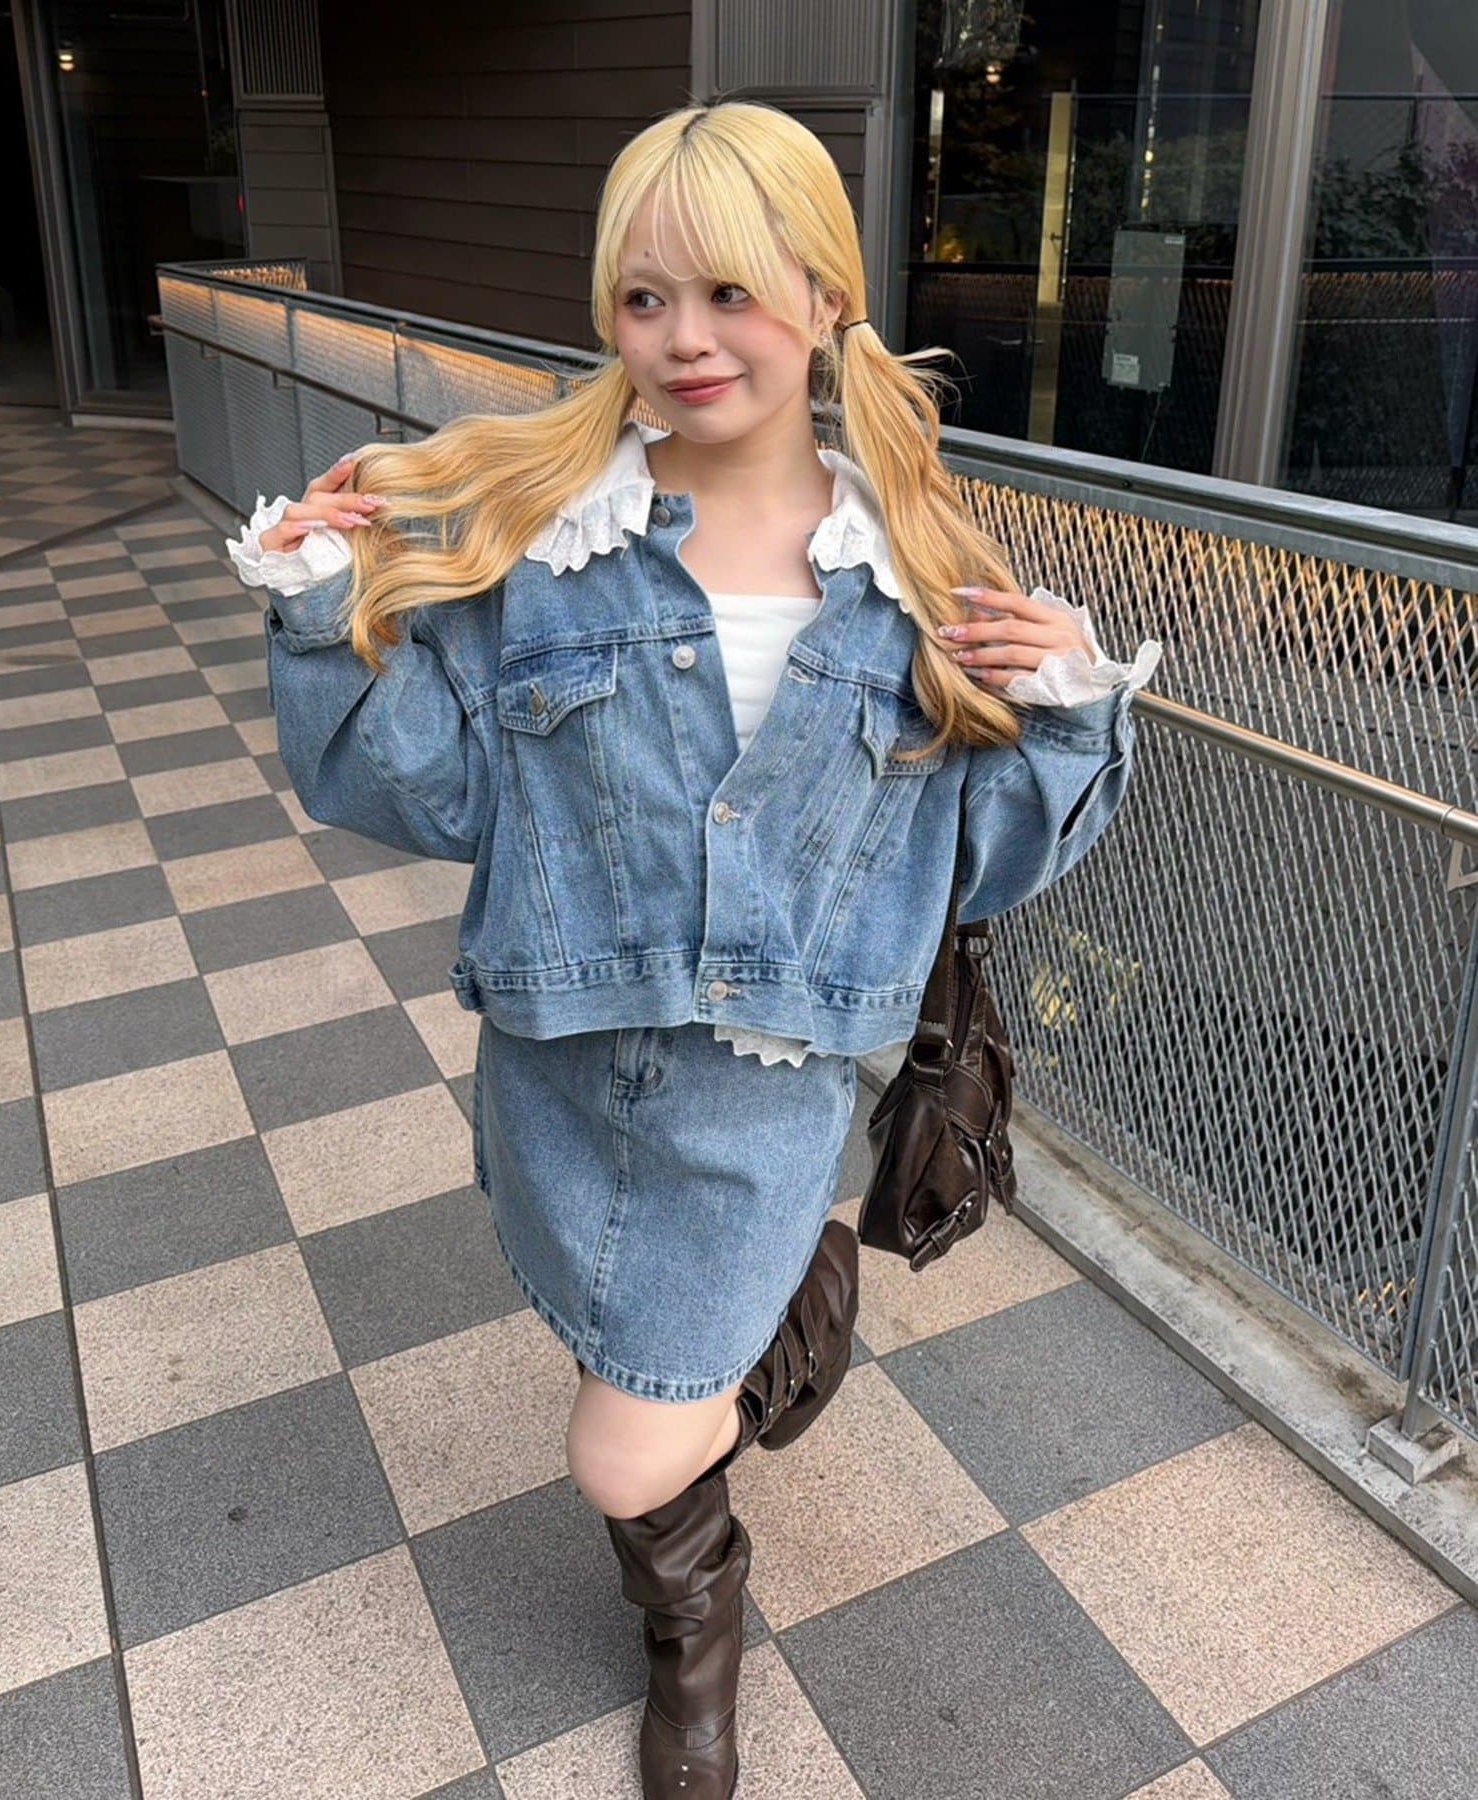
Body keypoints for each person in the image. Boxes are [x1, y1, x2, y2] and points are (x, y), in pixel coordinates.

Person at [228, 99, 1160, 1800]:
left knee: (620, 1442)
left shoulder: (913, 573)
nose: (685, 340)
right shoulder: (548, 546)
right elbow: (429, 792)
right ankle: (711, 1512)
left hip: (765, 1094)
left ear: (822, 295)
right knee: (626, 1369)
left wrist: (1070, 707)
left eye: (729, 292)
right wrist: (314, 607)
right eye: (644, 299)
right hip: (561, 1073)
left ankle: (699, 1607)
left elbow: (985, 861)